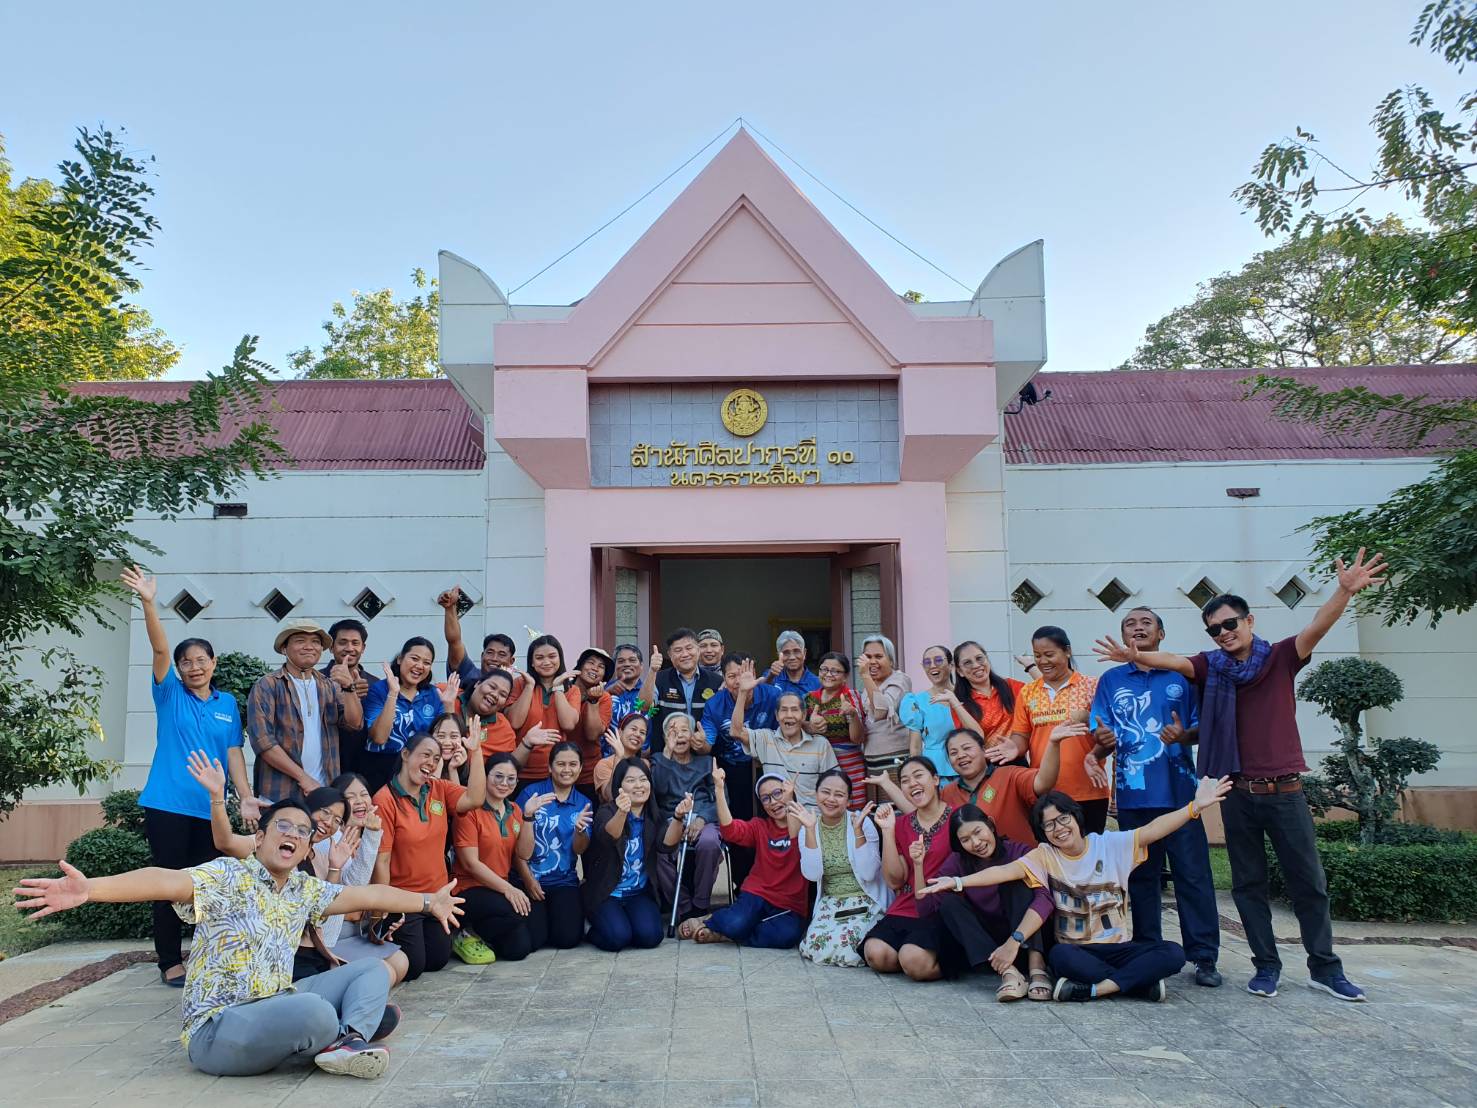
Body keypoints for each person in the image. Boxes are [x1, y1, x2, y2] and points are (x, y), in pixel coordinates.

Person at [1092, 550, 1388, 1002]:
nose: (1224, 633)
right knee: (1248, 886)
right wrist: (1137, 659)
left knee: (1307, 883)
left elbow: (1316, 629)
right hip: (1235, 791)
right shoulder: (1210, 668)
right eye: (1215, 629)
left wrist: (1344, 591)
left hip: (1281, 790)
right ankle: (1265, 966)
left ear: (1248, 622)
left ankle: (1324, 967)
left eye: (1230, 624)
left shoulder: (1282, 657)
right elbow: (1172, 666)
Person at [13, 795, 463, 1080]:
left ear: (307, 850)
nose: (293, 835)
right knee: (314, 1008)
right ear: (260, 837)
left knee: (372, 968)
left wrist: (429, 903)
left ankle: (347, 1040)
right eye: (283, 826)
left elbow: (369, 892)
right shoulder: (227, 875)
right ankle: (345, 1028)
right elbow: (163, 880)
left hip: (275, 1001)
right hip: (219, 1029)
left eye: (303, 832)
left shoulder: (305, 890)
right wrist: (91, 889)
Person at [922, 785, 1229, 1003]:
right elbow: (1003, 872)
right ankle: (1137, 983)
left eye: (1062, 818)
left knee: (1172, 953)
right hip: (1077, 952)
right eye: (1049, 826)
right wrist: (958, 883)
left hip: (1118, 948)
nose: (1058, 829)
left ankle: (1097, 990)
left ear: (1075, 816)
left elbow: (1154, 829)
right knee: (1060, 957)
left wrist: (1195, 808)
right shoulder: (1045, 855)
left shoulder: (1110, 845)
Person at [120, 566, 256, 988]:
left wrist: (245, 797)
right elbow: (158, 651)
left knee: (209, 885)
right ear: (177, 668)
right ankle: (169, 961)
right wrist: (148, 601)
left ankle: (207, 952)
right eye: (186, 661)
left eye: (201, 660)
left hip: (211, 808)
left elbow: (233, 753)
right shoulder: (169, 693)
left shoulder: (227, 703)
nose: (193, 667)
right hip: (168, 804)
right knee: (169, 881)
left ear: (214, 663)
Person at [1090, 606, 1221, 989]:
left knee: (1192, 875)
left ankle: (1204, 956)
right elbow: (1101, 730)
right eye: (1129, 624)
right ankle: (1148, 950)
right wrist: (1103, 740)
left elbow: (1200, 727)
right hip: (1134, 797)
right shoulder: (1111, 680)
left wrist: (1184, 736)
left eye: (1146, 622)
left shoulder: (1181, 674)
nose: (1137, 628)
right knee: (1143, 877)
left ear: (1161, 634)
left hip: (1182, 796)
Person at [372, 729, 486, 980]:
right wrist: (380, 911)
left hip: (438, 896)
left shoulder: (438, 788)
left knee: (437, 960)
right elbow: (382, 860)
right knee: (414, 967)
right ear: (405, 754)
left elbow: (475, 798)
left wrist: (476, 752)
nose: (431, 763)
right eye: (425, 755)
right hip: (404, 899)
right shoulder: (385, 799)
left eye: (436, 759)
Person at [916, 805, 1054, 1001]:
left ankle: (1037, 968)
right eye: (965, 840)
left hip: (1026, 939)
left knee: (1018, 882)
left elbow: (1045, 900)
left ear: (990, 824)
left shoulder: (1020, 851)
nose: (976, 843)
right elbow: (927, 910)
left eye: (978, 832)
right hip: (992, 950)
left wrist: (1014, 940)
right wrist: (918, 865)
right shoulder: (958, 862)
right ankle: (1009, 973)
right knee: (949, 903)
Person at [871, 724, 1068, 851]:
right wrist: (887, 784)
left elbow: (1043, 782)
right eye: (954, 753)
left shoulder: (1008, 775)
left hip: (1023, 865)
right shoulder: (948, 793)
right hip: (976, 876)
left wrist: (1053, 744)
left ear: (984, 750)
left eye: (967, 748)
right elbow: (919, 813)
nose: (961, 755)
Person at [990, 627, 1105, 831]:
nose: (1043, 661)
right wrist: (1015, 747)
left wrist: (1089, 720)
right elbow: (1021, 735)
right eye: (1037, 656)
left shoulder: (1092, 686)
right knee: (1052, 856)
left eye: (1049, 654)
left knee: (1090, 853)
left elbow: (1106, 733)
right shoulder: (1028, 692)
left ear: (1067, 651)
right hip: (1046, 790)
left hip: (1088, 789)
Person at [680, 770, 808, 948]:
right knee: (735, 923)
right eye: (766, 798)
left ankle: (725, 934)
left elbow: (795, 844)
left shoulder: (806, 824)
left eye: (778, 793)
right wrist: (718, 789)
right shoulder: (759, 826)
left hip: (789, 903)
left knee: (787, 937)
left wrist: (790, 801)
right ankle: (715, 921)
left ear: (789, 791)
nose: (773, 802)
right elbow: (730, 830)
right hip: (757, 893)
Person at [248, 619, 364, 803]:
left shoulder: (329, 685)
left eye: (316, 642)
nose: (309, 647)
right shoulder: (268, 685)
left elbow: (354, 724)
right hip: (280, 795)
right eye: (300, 640)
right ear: (284, 648)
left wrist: (349, 687)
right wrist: (304, 778)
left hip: (325, 791)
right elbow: (263, 742)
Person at [861, 757, 956, 980]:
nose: (912, 783)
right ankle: (910, 956)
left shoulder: (957, 818)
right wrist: (888, 831)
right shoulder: (902, 824)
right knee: (876, 954)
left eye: (918, 776)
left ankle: (952, 961)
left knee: (914, 960)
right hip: (906, 905)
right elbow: (895, 881)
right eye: (904, 780)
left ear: (935, 780)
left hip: (942, 907)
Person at [583, 759, 689, 951]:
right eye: (631, 780)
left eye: (643, 779)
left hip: (638, 893)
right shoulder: (607, 811)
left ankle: (622, 924)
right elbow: (609, 837)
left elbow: (666, 845)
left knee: (651, 937)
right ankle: (596, 932)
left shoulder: (653, 815)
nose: (639, 785)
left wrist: (678, 817)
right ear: (619, 786)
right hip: (606, 893)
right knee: (618, 939)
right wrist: (623, 812)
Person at [792, 769, 890, 966]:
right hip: (832, 901)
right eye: (825, 792)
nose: (831, 799)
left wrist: (858, 831)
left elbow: (869, 874)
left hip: (865, 898)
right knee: (815, 947)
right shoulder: (807, 827)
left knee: (852, 947)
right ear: (816, 793)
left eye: (839, 795)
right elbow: (812, 874)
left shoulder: (862, 822)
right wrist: (811, 831)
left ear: (849, 801)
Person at [451, 752, 534, 964]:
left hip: (498, 889)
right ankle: (462, 931)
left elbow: (523, 854)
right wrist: (509, 889)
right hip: (468, 889)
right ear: (485, 776)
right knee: (517, 914)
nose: (504, 783)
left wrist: (528, 818)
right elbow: (471, 864)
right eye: (498, 776)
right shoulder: (470, 809)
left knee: (520, 949)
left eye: (511, 778)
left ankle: (477, 933)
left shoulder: (514, 809)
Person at [515, 741, 594, 951]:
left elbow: (579, 849)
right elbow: (514, 847)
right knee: (534, 940)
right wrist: (528, 880)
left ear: (580, 767)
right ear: (550, 767)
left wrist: (579, 832)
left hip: (564, 881)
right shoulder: (532, 794)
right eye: (560, 764)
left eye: (572, 764)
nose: (566, 770)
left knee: (567, 940)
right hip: (531, 880)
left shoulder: (583, 803)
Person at [730, 660, 839, 808]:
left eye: (794, 710)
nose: (789, 715)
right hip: (779, 820)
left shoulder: (820, 744)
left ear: (803, 714)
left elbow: (835, 784)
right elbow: (736, 731)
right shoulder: (766, 739)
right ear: (776, 715)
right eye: (784, 710)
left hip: (812, 819)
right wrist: (743, 693)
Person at [651, 713, 721, 922]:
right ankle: (682, 906)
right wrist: (667, 752)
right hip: (671, 819)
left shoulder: (707, 762)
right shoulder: (658, 760)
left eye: (683, 730)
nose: (678, 735)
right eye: (672, 731)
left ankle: (700, 904)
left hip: (703, 817)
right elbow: (658, 790)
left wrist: (702, 819)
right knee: (660, 851)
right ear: (664, 737)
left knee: (710, 842)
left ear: (692, 735)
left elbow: (720, 798)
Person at [362, 637, 444, 793]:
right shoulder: (380, 689)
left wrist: (448, 704)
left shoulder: (433, 694)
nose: (419, 666)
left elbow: (442, 738)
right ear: (400, 659)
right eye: (414, 658)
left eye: (426, 663)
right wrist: (393, 693)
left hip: (418, 770)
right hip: (380, 769)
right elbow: (379, 737)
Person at [507, 634, 581, 787]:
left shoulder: (572, 690)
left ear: (560, 658)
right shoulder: (520, 684)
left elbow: (568, 724)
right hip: (520, 770)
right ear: (532, 663)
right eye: (539, 658)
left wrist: (558, 688)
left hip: (556, 772)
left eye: (552, 656)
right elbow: (514, 722)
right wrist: (529, 687)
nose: (546, 662)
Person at [900, 645, 979, 783]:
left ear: (951, 665)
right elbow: (915, 747)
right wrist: (916, 776)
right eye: (927, 662)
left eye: (938, 660)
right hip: (937, 773)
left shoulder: (968, 696)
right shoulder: (917, 702)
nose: (932, 666)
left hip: (970, 767)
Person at [438, 586, 526, 703]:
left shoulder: (517, 689)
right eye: (490, 652)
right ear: (482, 655)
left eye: (501, 654)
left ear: (511, 661)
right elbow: (454, 641)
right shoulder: (469, 673)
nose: (494, 659)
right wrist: (450, 608)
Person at [803, 652, 867, 807]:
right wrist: (809, 726)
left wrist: (852, 714)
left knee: (852, 810)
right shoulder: (809, 698)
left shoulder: (851, 696)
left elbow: (858, 738)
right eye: (824, 669)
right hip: (819, 764)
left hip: (850, 765)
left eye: (835, 671)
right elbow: (798, 727)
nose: (828, 674)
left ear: (845, 676)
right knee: (824, 808)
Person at [857, 634, 913, 791]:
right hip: (872, 760)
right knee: (878, 811)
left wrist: (865, 675)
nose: (872, 661)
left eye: (879, 656)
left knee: (896, 808)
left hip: (895, 758)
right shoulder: (870, 684)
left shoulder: (900, 679)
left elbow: (881, 711)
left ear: (891, 659)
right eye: (868, 656)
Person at [645, 629, 722, 741]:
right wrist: (652, 671)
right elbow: (643, 706)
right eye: (678, 650)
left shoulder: (716, 681)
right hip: (665, 753)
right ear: (670, 655)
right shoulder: (659, 679)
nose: (685, 654)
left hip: (703, 753)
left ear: (698, 650)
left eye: (689, 648)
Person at [325, 619, 375, 776]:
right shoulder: (317, 680)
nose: (349, 648)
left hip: (366, 769)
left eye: (355, 643)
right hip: (325, 767)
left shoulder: (375, 684)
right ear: (331, 647)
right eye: (343, 642)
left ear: (363, 648)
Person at [952, 641, 1023, 749]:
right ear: (960, 671)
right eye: (967, 663)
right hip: (988, 762)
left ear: (987, 659)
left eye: (979, 658)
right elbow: (975, 738)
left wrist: (1030, 666)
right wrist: (956, 704)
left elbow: (1045, 690)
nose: (976, 665)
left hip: (1018, 758)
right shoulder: (959, 702)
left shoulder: (1010, 686)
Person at [569, 648, 615, 803]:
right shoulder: (563, 690)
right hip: (557, 768)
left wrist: (593, 702)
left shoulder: (605, 698)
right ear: (580, 666)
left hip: (588, 773)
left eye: (601, 666)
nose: (595, 668)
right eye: (590, 662)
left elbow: (592, 734)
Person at [603, 644, 648, 753]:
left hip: (642, 758)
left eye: (632, 660)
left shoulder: (649, 691)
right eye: (621, 661)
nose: (627, 664)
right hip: (608, 757)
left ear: (641, 665)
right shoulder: (604, 689)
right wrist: (606, 693)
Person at [595, 714, 651, 801]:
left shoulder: (645, 764)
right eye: (633, 729)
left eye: (642, 732)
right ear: (620, 732)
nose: (637, 734)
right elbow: (610, 796)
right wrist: (618, 757)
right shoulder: (604, 764)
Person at [465, 669, 519, 757]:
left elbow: (507, 766)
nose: (495, 695)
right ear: (477, 683)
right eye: (492, 687)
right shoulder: (450, 701)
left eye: (503, 695)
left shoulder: (504, 730)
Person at [764, 630, 820, 700]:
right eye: (786, 653)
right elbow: (761, 693)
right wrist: (770, 676)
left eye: (796, 651)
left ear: (804, 653)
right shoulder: (771, 675)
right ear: (779, 655)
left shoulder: (817, 683)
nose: (792, 657)